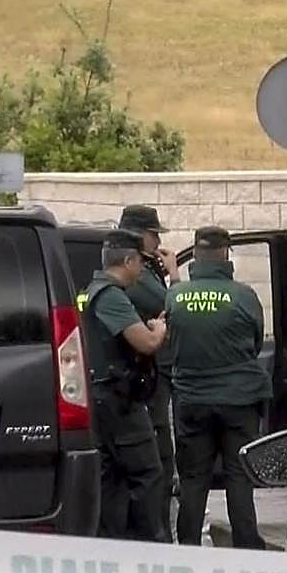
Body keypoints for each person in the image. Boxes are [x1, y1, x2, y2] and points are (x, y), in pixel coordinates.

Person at [166, 225, 271, 550]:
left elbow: (171, 342)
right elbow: (255, 342)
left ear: (196, 255)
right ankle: (246, 545)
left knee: (193, 479)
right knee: (240, 476)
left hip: (192, 401)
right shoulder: (244, 296)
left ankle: (188, 545)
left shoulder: (175, 296)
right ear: (226, 253)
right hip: (239, 400)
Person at [82, 228, 170, 542]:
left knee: (112, 477)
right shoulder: (111, 295)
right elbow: (146, 343)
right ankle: (147, 544)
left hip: (103, 396)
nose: (143, 270)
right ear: (129, 261)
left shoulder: (94, 291)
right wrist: (158, 330)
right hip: (118, 399)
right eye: (141, 264)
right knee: (148, 472)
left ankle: (112, 543)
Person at [118, 204, 180, 535]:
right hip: (148, 377)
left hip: (155, 375)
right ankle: (155, 534)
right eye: (154, 234)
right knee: (158, 461)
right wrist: (175, 276)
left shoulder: (144, 269)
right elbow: (172, 308)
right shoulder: (137, 275)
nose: (158, 242)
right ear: (138, 235)